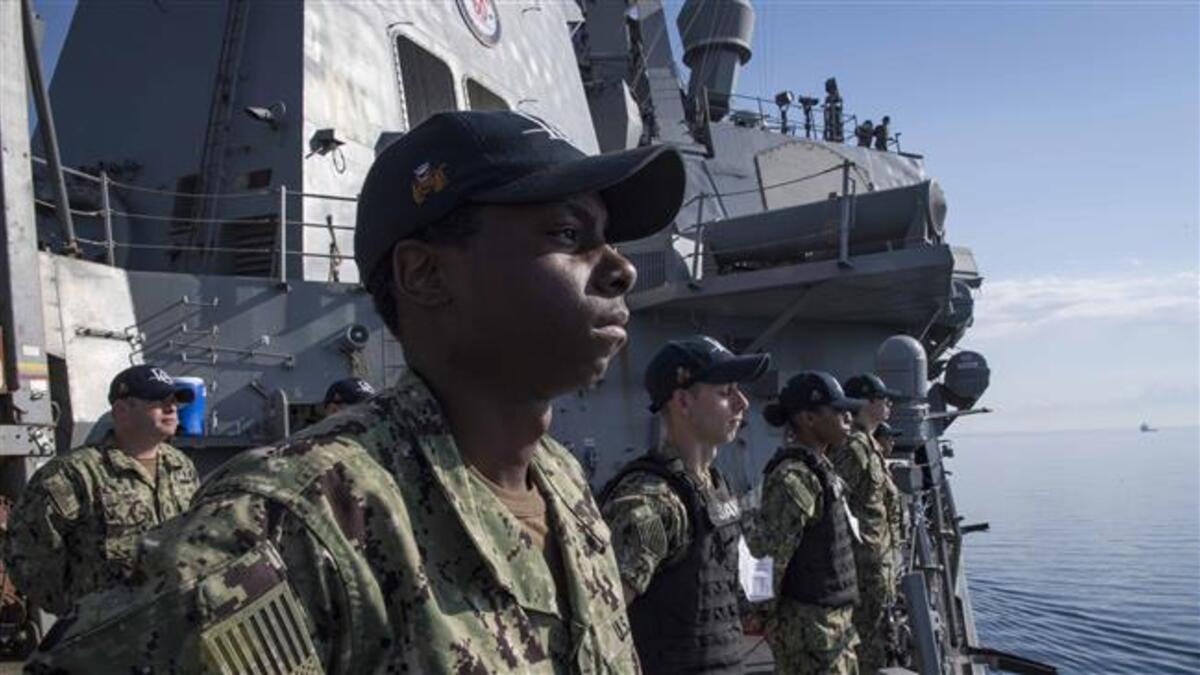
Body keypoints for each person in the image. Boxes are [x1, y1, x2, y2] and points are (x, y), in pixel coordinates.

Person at [29, 110, 686, 673]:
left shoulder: (565, 486)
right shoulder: (293, 523)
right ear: (424, 273)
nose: (622, 266)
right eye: (569, 235)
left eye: (609, 238)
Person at [600, 335, 769, 673]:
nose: (742, 403)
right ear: (683, 402)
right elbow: (601, 617)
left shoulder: (715, 486)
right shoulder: (653, 501)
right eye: (725, 393)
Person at [3, 365, 200, 617]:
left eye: (174, 400)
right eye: (158, 400)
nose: (171, 408)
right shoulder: (74, 473)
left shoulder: (181, 467)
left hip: (173, 622)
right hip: (106, 636)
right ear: (122, 410)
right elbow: (28, 552)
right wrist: (77, 613)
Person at [746, 371, 864, 675]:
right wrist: (759, 613)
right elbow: (767, 555)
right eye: (837, 410)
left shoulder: (820, 469)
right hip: (811, 631)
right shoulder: (794, 477)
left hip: (833, 627)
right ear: (808, 419)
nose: (847, 416)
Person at [831, 374, 904, 674]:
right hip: (862, 566)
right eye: (881, 397)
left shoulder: (869, 446)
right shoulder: (854, 448)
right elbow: (833, 503)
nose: (888, 403)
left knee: (873, 637)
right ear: (863, 403)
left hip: (877, 565)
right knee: (863, 642)